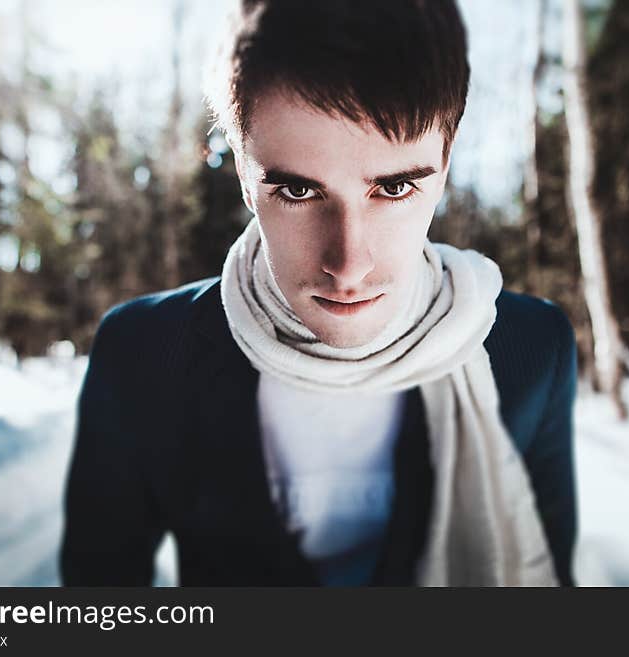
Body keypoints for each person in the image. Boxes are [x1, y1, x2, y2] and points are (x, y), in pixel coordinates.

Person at [59, 0, 578, 587]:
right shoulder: (144, 353)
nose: (348, 265)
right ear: (245, 181)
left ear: (447, 163)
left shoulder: (531, 351)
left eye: (395, 186)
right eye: (299, 192)